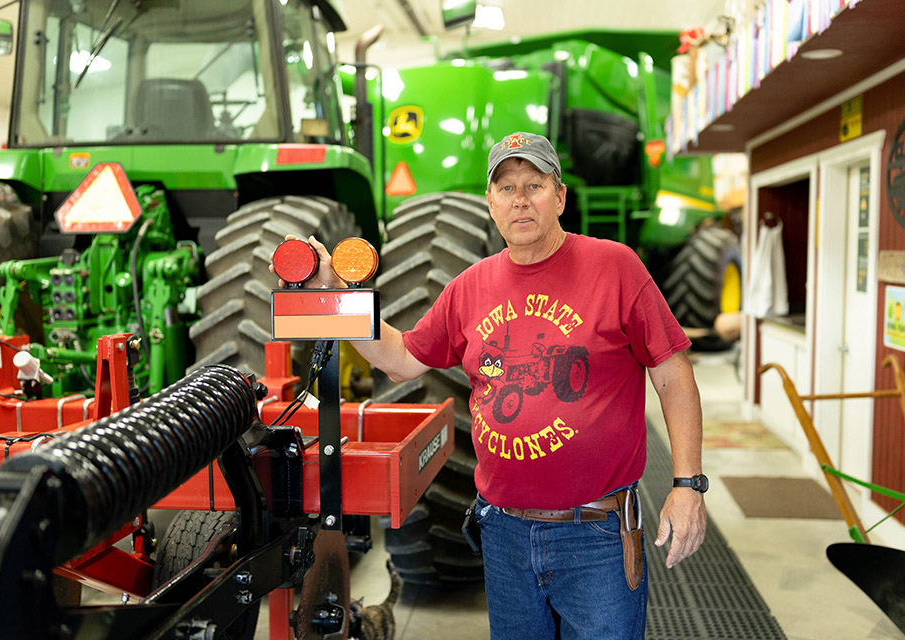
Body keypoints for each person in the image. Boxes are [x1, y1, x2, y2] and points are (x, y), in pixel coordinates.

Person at [272, 131, 707, 639]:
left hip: (596, 534)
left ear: (560, 196)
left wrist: (687, 484)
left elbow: (672, 374)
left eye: (534, 184)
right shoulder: (470, 287)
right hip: (504, 534)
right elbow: (403, 359)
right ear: (490, 204)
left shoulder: (616, 267)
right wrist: (337, 295)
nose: (520, 198)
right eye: (505, 187)